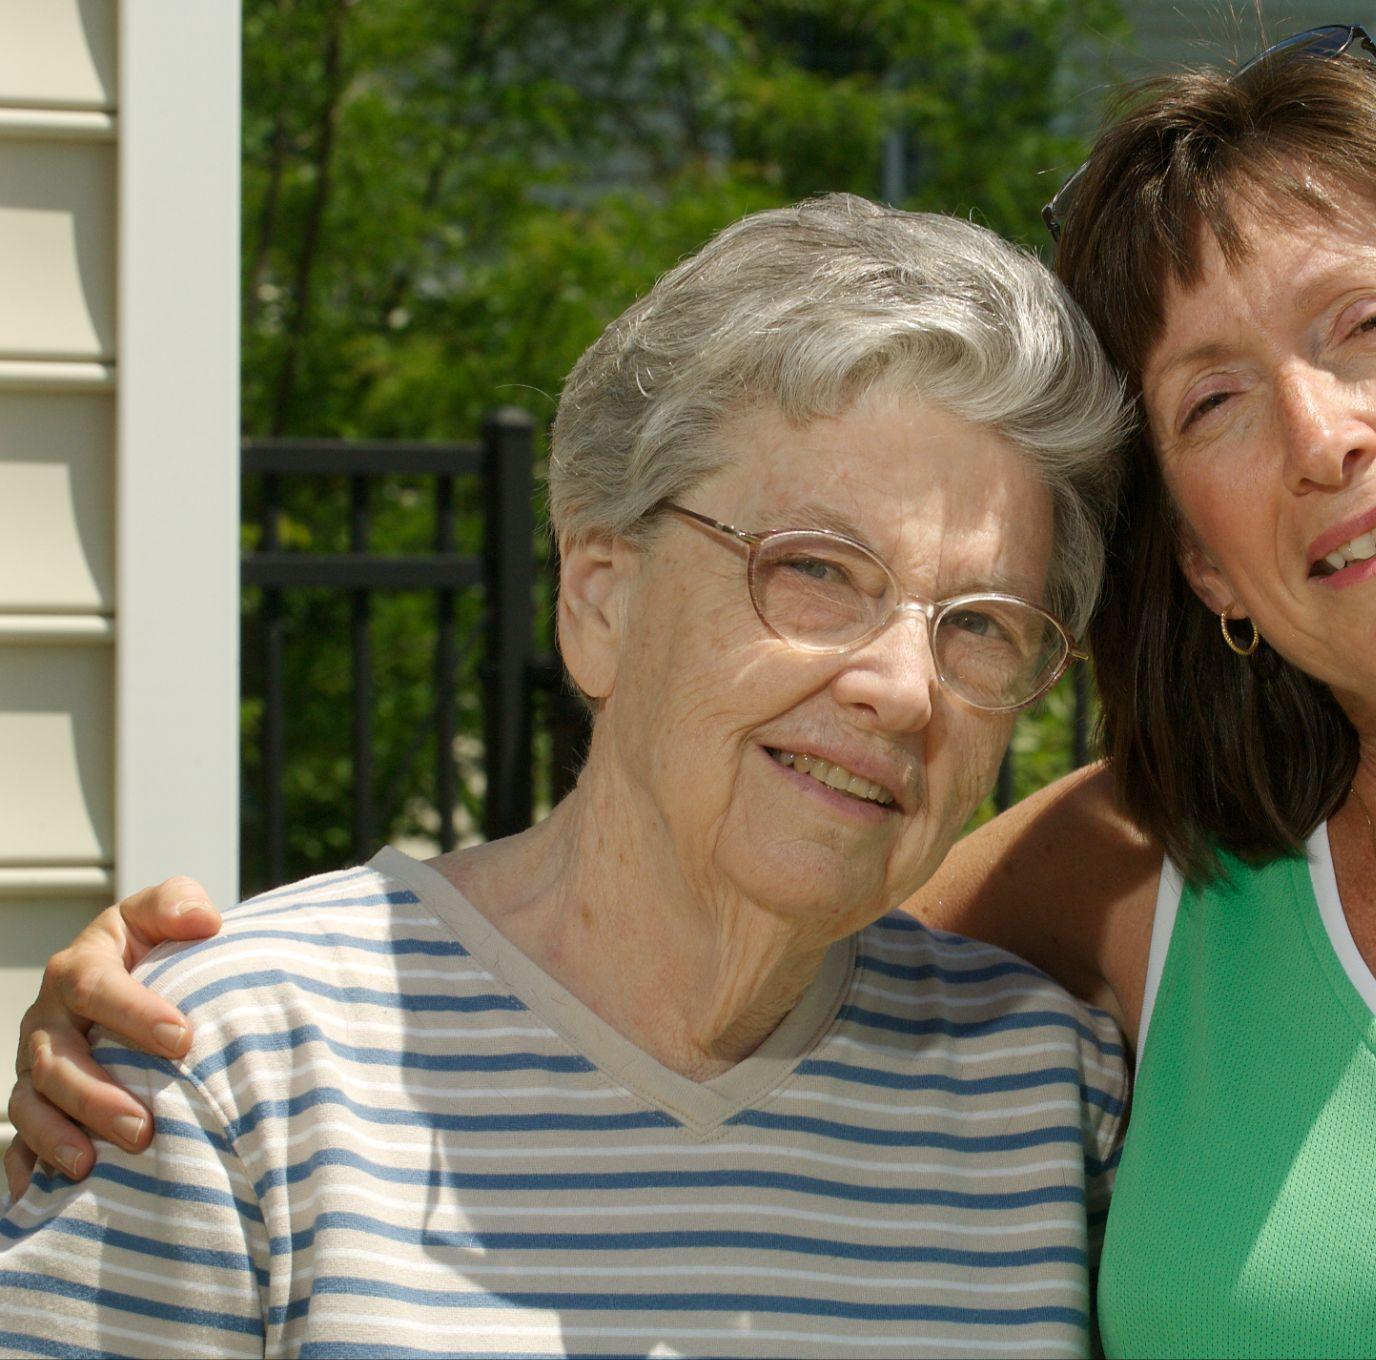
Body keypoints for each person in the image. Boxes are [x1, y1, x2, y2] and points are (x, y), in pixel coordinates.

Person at [15, 24, 1376, 1359]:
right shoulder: (1138, 892)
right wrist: (152, 1020)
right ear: (1210, 569)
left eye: (1369, 326)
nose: (1324, 433)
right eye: (1216, 404)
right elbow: (711, 930)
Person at [0, 193, 1131, 1358]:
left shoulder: (1048, 1105)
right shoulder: (228, 1065)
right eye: (815, 570)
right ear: (600, 596)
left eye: (982, 625)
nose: (903, 685)